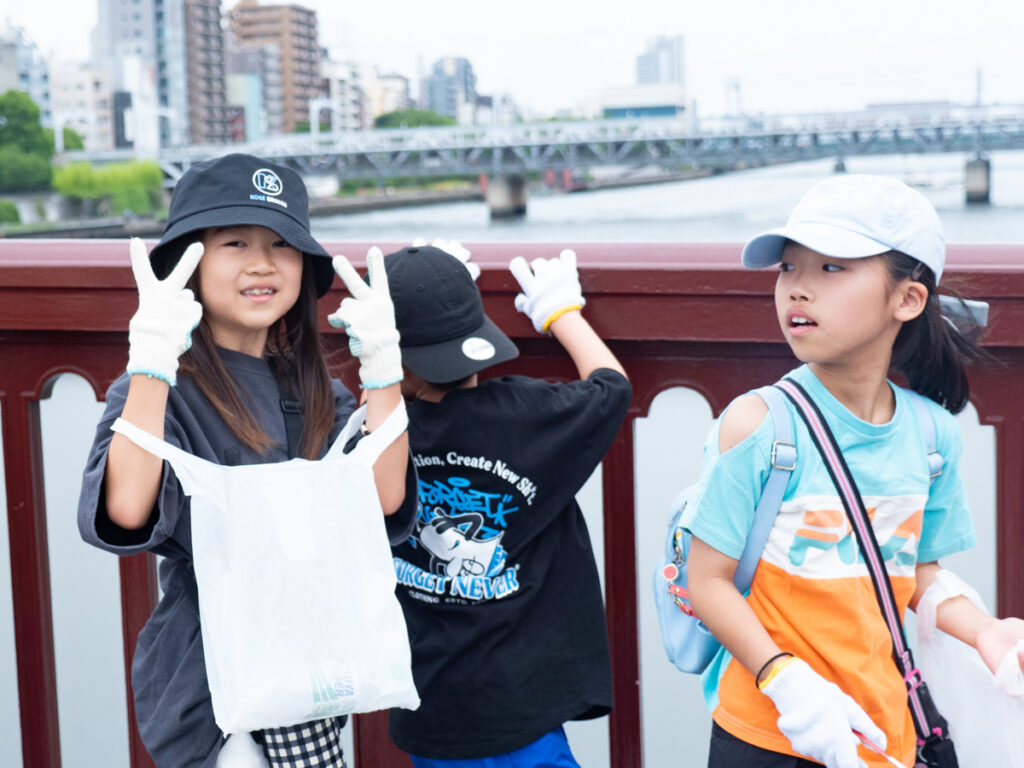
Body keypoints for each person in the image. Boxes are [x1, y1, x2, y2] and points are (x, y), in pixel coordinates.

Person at [77, 153, 414, 768]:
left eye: (282, 244)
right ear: (189, 262)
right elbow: (125, 512)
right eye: (235, 242)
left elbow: (382, 502)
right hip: (205, 687)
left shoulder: (315, 389)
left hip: (305, 676)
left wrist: (384, 371)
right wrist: (151, 362)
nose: (262, 263)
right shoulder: (159, 388)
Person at [682, 173, 1024, 768]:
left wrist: (984, 631)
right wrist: (787, 682)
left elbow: (917, 573)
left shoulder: (931, 435)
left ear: (907, 300)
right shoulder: (759, 424)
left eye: (831, 268)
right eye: (789, 267)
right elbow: (705, 581)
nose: (797, 289)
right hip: (768, 733)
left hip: (882, 731)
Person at [382, 244, 632, 767]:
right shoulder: (527, 415)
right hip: (522, 702)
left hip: (428, 709)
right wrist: (561, 312)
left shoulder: (378, 437)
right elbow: (611, 389)